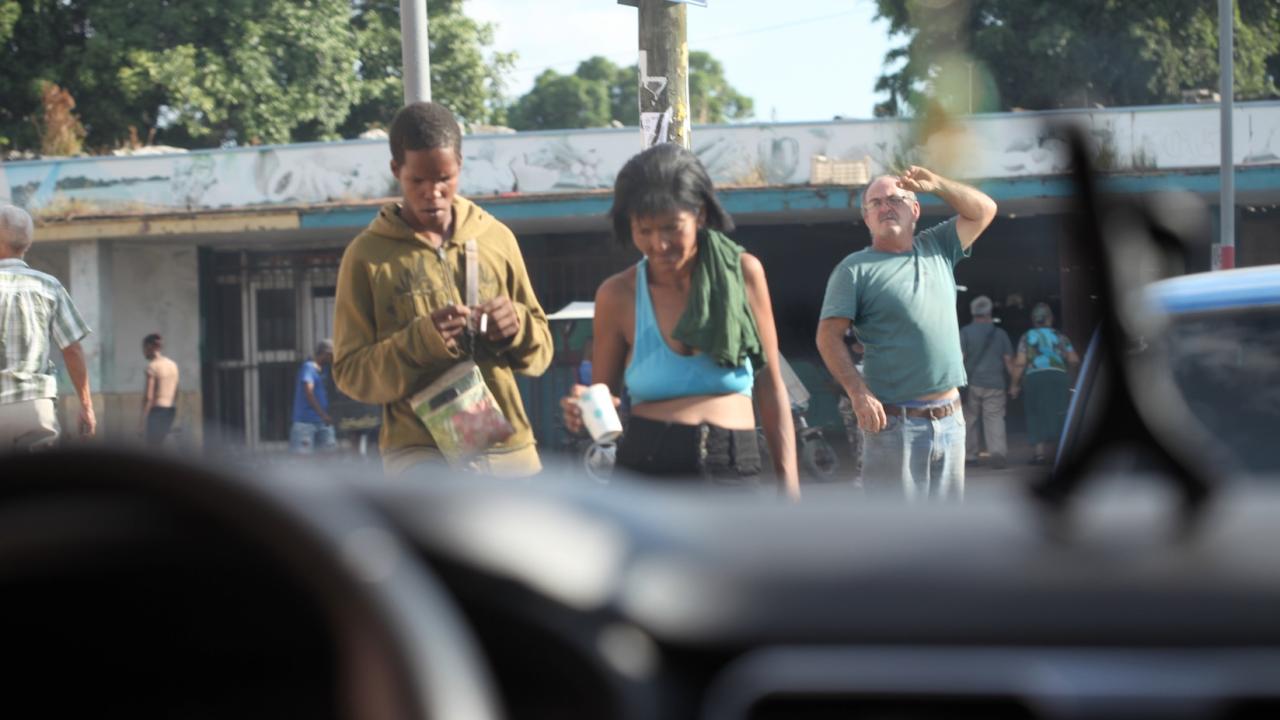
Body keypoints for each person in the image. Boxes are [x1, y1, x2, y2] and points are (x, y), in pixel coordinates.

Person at [560, 144, 799, 497]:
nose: (658, 244)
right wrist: (583, 412)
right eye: (644, 230)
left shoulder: (744, 273)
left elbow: (770, 386)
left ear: (700, 214)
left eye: (672, 227)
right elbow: (603, 400)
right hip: (645, 469)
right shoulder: (617, 294)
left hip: (734, 464)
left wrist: (789, 489)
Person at [333, 102, 552, 476]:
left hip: (507, 456)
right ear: (395, 171)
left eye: (444, 178)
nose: (432, 192)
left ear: (460, 168)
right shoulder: (366, 256)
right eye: (417, 181)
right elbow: (350, 374)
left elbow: (542, 351)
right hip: (419, 458)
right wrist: (419, 342)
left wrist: (516, 326)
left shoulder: (497, 239)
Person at [816, 167, 997, 501]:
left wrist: (939, 183)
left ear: (915, 209)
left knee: (945, 540)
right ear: (867, 218)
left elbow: (985, 210)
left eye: (896, 199)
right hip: (894, 428)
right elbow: (828, 336)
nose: (886, 207)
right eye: (876, 203)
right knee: (894, 540)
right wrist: (857, 393)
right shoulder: (854, 269)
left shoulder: (939, 246)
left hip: (951, 420)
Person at [0, 204, 96, 451]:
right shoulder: (48, 286)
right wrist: (86, 405)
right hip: (35, 407)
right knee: (36, 485)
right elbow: (72, 349)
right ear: (28, 243)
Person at [1009, 302, 1079, 465]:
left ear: (1033, 320)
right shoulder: (1060, 337)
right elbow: (1075, 360)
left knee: (1035, 414)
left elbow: (1019, 363)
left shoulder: (1027, 337)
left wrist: (1014, 384)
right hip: (1058, 377)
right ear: (1050, 319)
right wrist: (1068, 375)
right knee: (1061, 412)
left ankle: (1039, 454)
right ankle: (1061, 453)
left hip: (1035, 379)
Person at [959, 296, 1014, 469]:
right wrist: (1016, 383)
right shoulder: (1000, 334)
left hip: (972, 384)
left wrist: (956, 384)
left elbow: (960, 358)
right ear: (989, 312)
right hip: (995, 383)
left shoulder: (965, 332)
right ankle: (997, 453)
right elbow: (1008, 361)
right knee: (995, 418)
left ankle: (970, 456)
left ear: (973, 312)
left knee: (970, 419)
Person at [290, 339, 336, 455]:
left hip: (323, 423)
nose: (333, 359)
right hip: (305, 424)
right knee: (304, 464)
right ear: (325, 354)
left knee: (328, 460)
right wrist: (323, 415)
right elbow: (309, 394)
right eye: (331, 355)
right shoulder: (308, 368)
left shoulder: (323, 369)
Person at [139, 333, 180, 448]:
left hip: (157, 411)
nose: (143, 352)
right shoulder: (173, 365)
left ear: (149, 347)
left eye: (144, 348)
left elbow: (148, 397)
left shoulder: (152, 367)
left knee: (153, 447)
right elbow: (176, 391)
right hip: (171, 410)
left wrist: (142, 423)